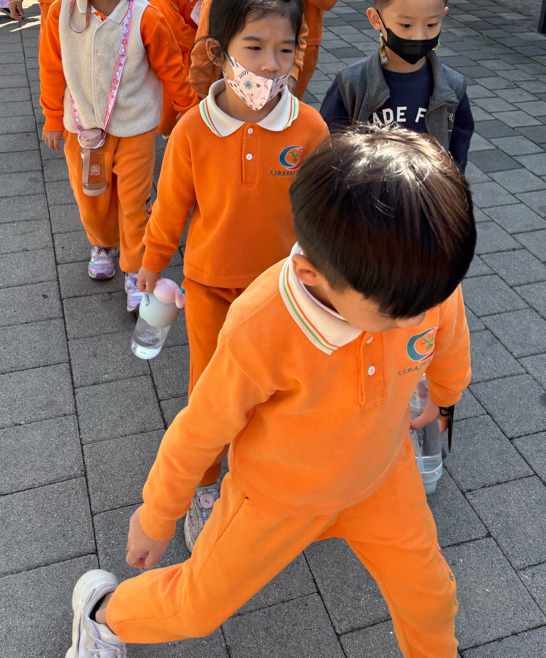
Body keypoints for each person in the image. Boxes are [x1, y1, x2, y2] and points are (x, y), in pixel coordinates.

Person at [66, 125, 475, 658]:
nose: (418, 320)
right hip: (275, 498)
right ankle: (103, 613)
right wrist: (157, 515)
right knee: (196, 606)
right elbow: (201, 427)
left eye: (431, 300)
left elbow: (450, 338)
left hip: (381, 477)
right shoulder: (262, 324)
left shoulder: (419, 282)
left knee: (431, 597)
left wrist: (445, 396)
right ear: (310, 273)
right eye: (396, 313)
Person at [134, 0, 328, 547]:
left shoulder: (309, 127)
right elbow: (171, 206)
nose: (271, 65)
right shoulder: (193, 131)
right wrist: (151, 262)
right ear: (219, 53)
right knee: (210, 390)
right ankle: (205, 483)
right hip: (210, 287)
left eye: (285, 50)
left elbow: (324, 212)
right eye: (255, 47)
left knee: (284, 387)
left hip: (286, 293)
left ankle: (272, 471)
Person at [39, 0, 196, 298]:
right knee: (91, 199)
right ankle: (102, 244)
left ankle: (135, 266)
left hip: (134, 128)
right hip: (83, 131)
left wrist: (189, 112)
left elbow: (171, 70)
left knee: (133, 202)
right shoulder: (59, 13)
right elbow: (52, 68)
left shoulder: (144, 16)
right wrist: (53, 117)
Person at [320, 0, 474, 173]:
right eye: (406, 25)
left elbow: (458, 156)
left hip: (427, 193)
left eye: (431, 24)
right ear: (376, 19)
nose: (419, 36)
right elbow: (328, 151)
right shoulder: (351, 84)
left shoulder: (453, 87)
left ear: (443, 16)